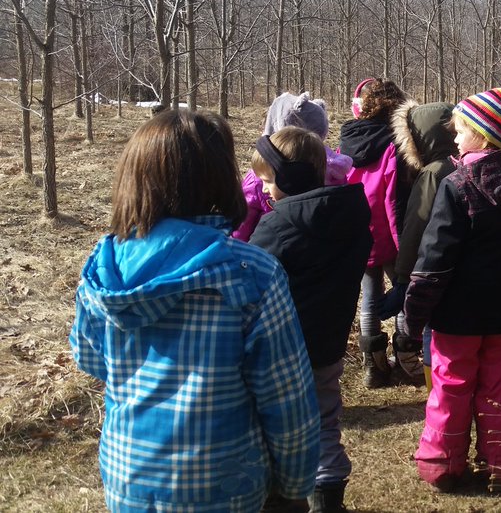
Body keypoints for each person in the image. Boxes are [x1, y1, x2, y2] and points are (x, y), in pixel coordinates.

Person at [70, 109, 319, 513]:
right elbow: (285, 394)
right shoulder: (250, 272)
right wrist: (294, 485)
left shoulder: (103, 265)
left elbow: (90, 358)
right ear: (219, 177)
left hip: (128, 475)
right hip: (224, 484)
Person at [400, 83, 501, 491]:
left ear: (481, 133)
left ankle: (443, 465)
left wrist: (412, 317)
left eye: (460, 128)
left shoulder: (459, 184)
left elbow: (434, 262)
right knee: (500, 386)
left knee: (451, 387)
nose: (453, 135)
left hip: (458, 313)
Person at [248, 127, 372, 513]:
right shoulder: (351, 213)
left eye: (268, 181)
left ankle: (282, 494)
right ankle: (329, 499)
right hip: (329, 343)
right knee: (323, 423)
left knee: (272, 426)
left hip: (283, 350)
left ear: (290, 178)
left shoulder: (278, 225)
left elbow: (249, 278)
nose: (265, 191)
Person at [339, 78, 412, 387]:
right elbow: (393, 198)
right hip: (389, 234)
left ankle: (374, 366)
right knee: (403, 294)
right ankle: (407, 358)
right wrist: (405, 244)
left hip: (359, 231)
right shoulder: (395, 143)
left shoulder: (346, 140)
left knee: (369, 298)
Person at [384, 99, 459, 388]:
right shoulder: (462, 161)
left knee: (432, 328)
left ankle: (435, 384)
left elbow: (417, 226)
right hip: (460, 267)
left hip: (432, 266)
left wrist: (403, 278)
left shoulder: (432, 173)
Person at [233, 92, 352, 242]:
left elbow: (241, 226)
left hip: (268, 253)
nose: (265, 187)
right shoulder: (335, 170)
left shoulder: (261, 174)